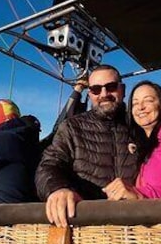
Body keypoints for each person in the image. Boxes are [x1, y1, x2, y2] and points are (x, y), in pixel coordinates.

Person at [36, 65, 138, 227]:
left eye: (110, 87)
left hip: (136, 226)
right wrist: (58, 189)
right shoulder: (72, 127)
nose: (104, 94)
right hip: (87, 228)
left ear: (122, 89)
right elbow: (50, 165)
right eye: (96, 89)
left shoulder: (139, 127)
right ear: (90, 94)